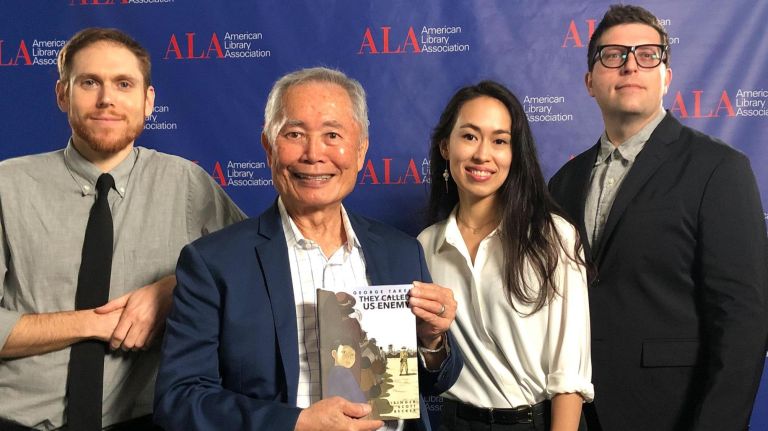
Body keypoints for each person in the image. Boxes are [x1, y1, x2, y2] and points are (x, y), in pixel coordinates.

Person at [153, 67, 463, 431]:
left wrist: (432, 340)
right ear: (269, 147)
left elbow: (435, 382)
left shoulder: (401, 251)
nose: (314, 153)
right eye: (295, 134)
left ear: (361, 150)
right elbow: (180, 398)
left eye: (333, 134)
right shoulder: (213, 263)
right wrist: (295, 423)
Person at [0, 28, 244, 430]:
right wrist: (93, 323)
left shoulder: (187, 184)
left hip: (144, 420)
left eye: (124, 84)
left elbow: (251, 271)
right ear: (63, 94)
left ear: (148, 101)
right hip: (17, 419)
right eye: (89, 82)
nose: (107, 99)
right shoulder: (8, 187)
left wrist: (175, 287)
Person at [548, 5, 768, 431]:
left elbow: (743, 320)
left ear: (666, 76)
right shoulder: (562, 183)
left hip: (674, 414)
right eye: (613, 55)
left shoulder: (719, 170)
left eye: (648, 54)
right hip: (577, 416)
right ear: (590, 81)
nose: (630, 64)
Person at [418, 81, 593, 431]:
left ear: (515, 154)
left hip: (537, 423)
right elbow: (430, 366)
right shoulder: (425, 246)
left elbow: (570, 372)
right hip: (456, 423)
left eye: (500, 141)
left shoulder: (552, 236)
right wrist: (430, 341)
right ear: (444, 146)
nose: (483, 155)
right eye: (469, 136)